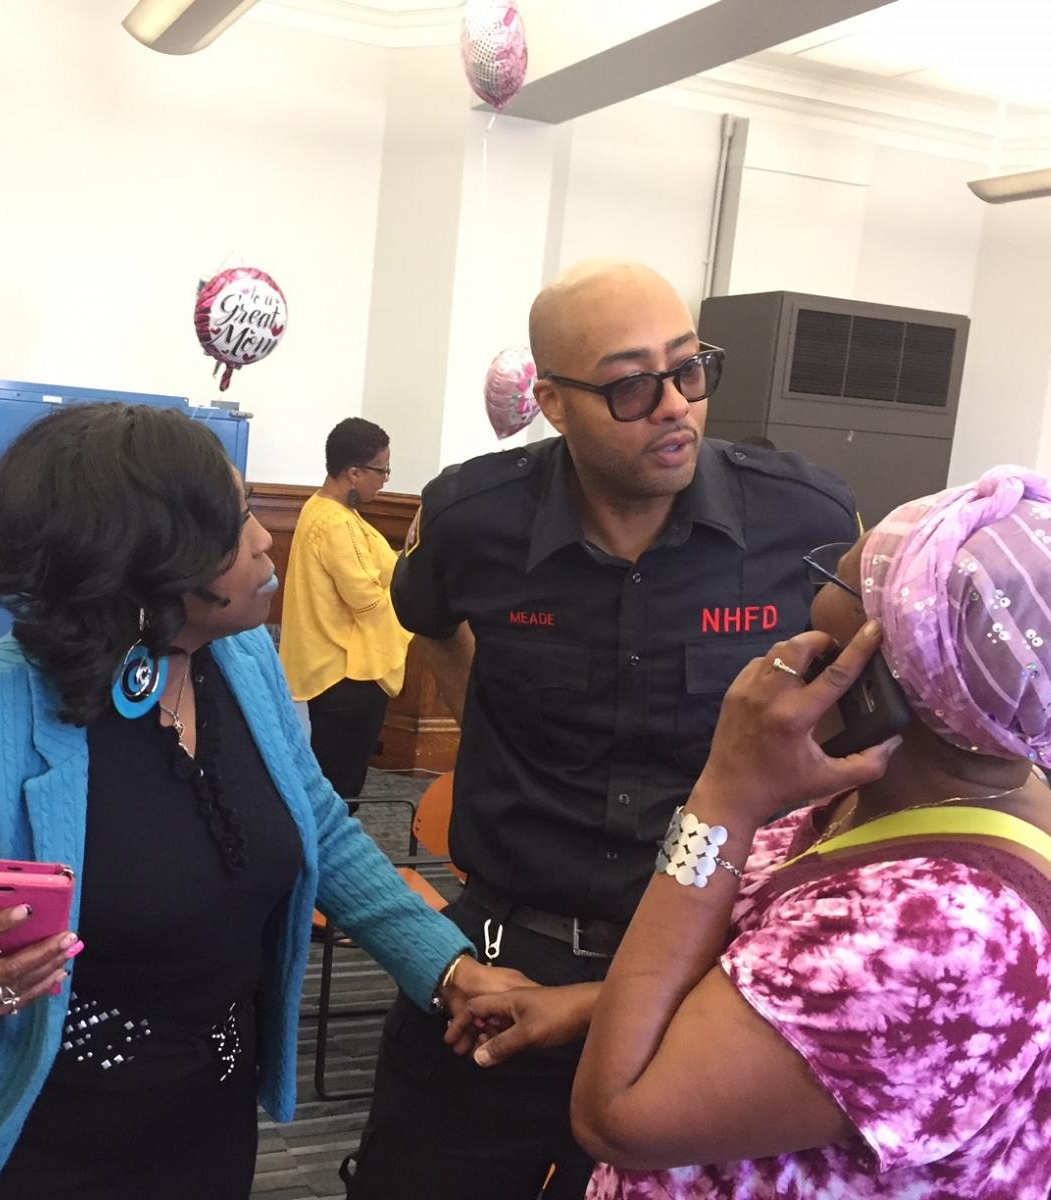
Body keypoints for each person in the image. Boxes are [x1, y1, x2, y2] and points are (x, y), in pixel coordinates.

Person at [0, 403, 527, 1200]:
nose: (267, 537)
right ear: (141, 559)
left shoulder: (241, 658)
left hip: (210, 1114)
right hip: (40, 1134)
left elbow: (321, 828)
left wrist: (448, 969)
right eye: (234, 524)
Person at [454, 466, 1051, 1199]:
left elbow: (617, 1117)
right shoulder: (903, 795)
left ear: (890, 672)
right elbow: (783, 986)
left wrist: (723, 800)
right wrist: (590, 1004)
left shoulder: (941, 925)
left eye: (839, 580)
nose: (810, 601)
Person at [344, 260, 859, 1199]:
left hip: (704, 967)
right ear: (551, 401)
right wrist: (497, 746)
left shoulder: (806, 518)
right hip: (503, 951)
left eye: (689, 370)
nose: (673, 407)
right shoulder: (472, 515)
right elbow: (430, 621)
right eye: (630, 385)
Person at [279, 417, 412, 802]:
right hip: (348, 673)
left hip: (339, 673)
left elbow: (385, 565)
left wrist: (413, 560)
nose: (385, 478)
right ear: (354, 472)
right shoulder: (335, 523)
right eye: (381, 470)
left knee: (335, 779)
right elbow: (368, 601)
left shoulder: (330, 512)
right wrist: (419, 605)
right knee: (341, 788)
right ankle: (327, 860)